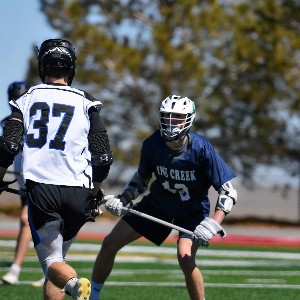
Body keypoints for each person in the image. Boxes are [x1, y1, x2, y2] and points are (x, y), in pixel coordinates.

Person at [90, 95, 237, 300]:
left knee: (185, 258)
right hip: (158, 205)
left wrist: (213, 223)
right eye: (167, 116)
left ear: (189, 119)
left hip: (192, 212)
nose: (170, 122)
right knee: (110, 242)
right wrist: (124, 199)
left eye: (176, 117)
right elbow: (142, 178)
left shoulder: (201, 148)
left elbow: (228, 192)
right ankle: (92, 295)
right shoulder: (152, 144)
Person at [0, 39, 113, 300]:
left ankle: (75, 286)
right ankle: (69, 284)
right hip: (79, 194)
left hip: (43, 190)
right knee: (59, 259)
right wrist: (94, 191)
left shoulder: (28, 98)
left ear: (42, 66)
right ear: (71, 68)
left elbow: (9, 144)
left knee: (53, 263)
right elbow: (103, 157)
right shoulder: (87, 101)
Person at [1, 81, 31, 285]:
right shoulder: (6, 122)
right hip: (19, 179)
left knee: (25, 220)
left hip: (36, 179)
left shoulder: (38, 121)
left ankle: (15, 268)